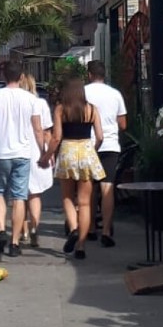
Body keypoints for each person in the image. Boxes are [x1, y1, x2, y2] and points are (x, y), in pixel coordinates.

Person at [0, 59, 44, 257]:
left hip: (0, 153)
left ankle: (0, 230)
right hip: (22, 154)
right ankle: (14, 242)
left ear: (3, 77)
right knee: (19, 197)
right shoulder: (31, 100)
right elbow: (38, 129)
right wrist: (44, 152)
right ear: (21, 77)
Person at [42, 78, 104, 260]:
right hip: (86, 150)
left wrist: (46, 156)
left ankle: (74, 228)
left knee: (68, 197)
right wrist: (93, 150)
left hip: (68, 150)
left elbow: (56, 137)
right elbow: (100, 136)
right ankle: (81, 246)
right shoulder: (92, 109)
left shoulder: (61, 109)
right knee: (85, 202)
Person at [83, 60, 127, 247]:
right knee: (107, 187)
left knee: (89, 187)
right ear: (104, 75)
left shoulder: (83, 93)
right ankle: (107, 230)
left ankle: (91, 227)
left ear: (90, 75)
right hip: (110, 145)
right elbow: (123, 124)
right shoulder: (115, 94)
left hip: (88, 144)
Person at [20, 73, 53, 248]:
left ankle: (23, 230)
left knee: (20, 195)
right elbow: (46, 132)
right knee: (35, 193)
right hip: (36, 151)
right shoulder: (40, 104)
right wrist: (49, 154)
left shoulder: (17, 103)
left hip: (18, 150)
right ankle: (34, 227)